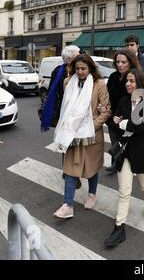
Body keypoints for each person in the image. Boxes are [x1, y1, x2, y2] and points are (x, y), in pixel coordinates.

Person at [52, 54, 111, 219]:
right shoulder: (68, 82)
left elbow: (106, 110)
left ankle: (92, 194)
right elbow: (67, 107)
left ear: (90, 68)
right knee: (70, 170)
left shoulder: (99, 84)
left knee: (92, 168)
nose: (80, 71)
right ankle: (67, 205)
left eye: (83, 68)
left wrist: (91, 126)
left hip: (91, 134)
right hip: (71, 133)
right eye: (77, 68)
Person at [104, 68, 144, 248]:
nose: (128, 84)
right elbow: (113, 123)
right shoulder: (124, 101)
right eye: (127, 81)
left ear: (139, 84)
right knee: (124, 190)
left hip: (142, 151)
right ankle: (119, 228)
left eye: (132, 81)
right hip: (125, 150)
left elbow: (143, 127)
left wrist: (125, 123)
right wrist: (122, 123)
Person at [41, 45, 83, 189]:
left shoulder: (75, 70)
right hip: (65, 113)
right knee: (68, 143)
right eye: (79, 55)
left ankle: (69, 171)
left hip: (75, 113)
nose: (81, 56)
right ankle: (70, 173)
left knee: (73, 143)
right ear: (71, 59)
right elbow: (55, 93)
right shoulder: (62, 72)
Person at [106, 50, 143, 174]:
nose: (120, 65)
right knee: (115, 143)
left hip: (128, 118)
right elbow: (107, 96)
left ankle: (127, 166)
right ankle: (115, 164)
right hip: (112, 118)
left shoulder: (135, 77)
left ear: (130, 62)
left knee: (126, 145)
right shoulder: (113, 77)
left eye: (123, 62)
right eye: (117, 62)